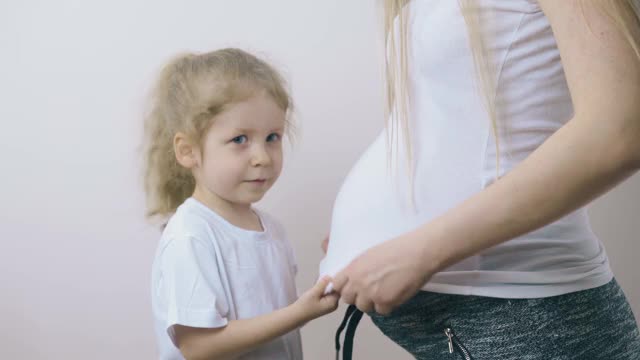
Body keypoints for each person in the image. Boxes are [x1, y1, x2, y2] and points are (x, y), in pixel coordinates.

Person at [321, 1, 640, 359]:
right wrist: (374, 227)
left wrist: (417, 250)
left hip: (530, 319)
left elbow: (620, 131)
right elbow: (447, 122)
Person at [143, 48, 339, 360]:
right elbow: (199, 346)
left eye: (273, 137)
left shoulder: (272, 231)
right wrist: (300, 313)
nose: (262, 157)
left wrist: (331, 279)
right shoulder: (191, 236)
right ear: (188, 151)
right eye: (240, 140)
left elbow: (269, 319)